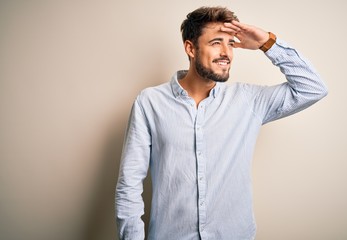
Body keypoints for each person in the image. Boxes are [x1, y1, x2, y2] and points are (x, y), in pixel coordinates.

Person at [115, 6, 327, 240]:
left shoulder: (248, 100)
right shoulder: (150, 102)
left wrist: (267, 43)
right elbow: (129, 186)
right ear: (190, 48)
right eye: (216, 42)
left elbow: (313, 88)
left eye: (231, 43)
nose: (227, 52)